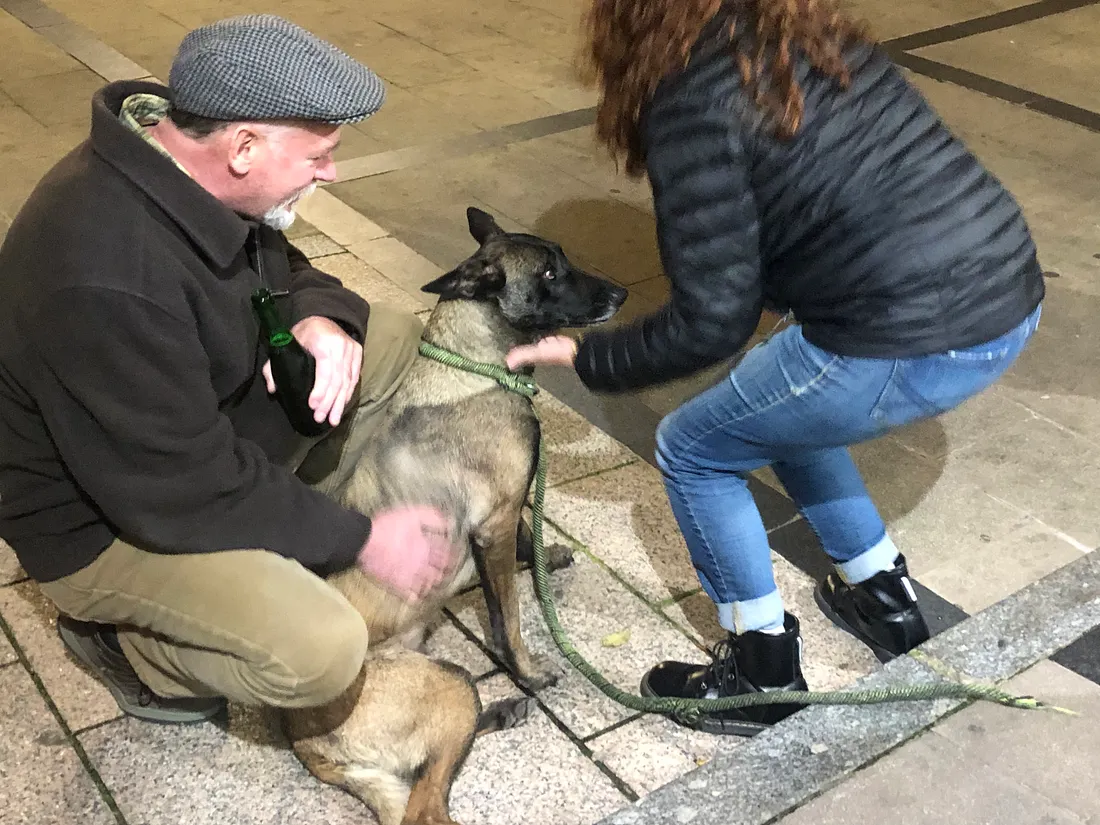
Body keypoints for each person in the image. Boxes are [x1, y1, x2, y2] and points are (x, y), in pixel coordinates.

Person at [507, 0, 1044, 736]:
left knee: (693, 446)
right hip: (1007, 294)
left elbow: (711, 322)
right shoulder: (808, 37)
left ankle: (762, 674)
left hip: (911, 341)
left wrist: (588, 356)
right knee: (776, 402)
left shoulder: (690, 96)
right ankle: (881, 597)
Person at [0, 15, 459, 724]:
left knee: (387, 336)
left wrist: (320, 316)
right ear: (243, 147)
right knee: (319, 651)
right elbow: (184, 490)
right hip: (107, 520)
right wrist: (364, 539)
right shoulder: (105, 273)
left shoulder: (180, 160)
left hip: (184, 430)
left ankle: (280, 526)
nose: (331, 172)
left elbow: (279, 261)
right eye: (319, 156)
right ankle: (131, 648)